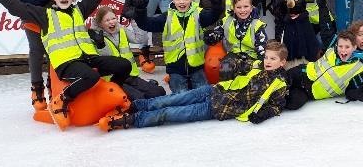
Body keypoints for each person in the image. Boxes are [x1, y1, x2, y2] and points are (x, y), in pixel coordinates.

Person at [0, 0, 132, 130]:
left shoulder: (80, 10)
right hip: (66, 63)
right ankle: (62, 100)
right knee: (91, 76)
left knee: (124, 65)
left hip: (88, 58)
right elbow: (15, 6)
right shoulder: (45, 15)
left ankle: (108, 97)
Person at [97, 41, 289, 131]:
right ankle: (135, 106)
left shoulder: (280, 84)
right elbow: (238, 61)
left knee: (172, 113)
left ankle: (131, 121)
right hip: (214, 90)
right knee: (173, 99)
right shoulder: (256, 64)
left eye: (273, 59)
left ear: (282, 63)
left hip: (218, 108)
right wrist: (230, 62)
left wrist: (262, 115)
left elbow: (275, 105)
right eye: (266, 57)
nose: (267, 61)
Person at [131, 0, 212, 94]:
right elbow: (146, 24)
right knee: (181, 98)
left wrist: (216, 4)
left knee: (204, 95)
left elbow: (213, 16)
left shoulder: (199, 14)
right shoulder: (167, 17)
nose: (182, 2)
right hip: (175, 68)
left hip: (197, 66)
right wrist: (140, 11)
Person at [89, 6, 166, 100]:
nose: (112, 22)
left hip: (130, 75)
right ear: (100, 23)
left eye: (113, 18)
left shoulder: (121, 29)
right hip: (113, 80)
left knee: (159, 92)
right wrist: (101, 45)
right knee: (139, 99)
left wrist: (134, 20)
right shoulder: (94, 37)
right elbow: (106, 60)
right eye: (107, 20)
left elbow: (141, 39)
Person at [284, 30, 363, 110]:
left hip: (309, 92)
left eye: (347, 47)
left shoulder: (359, 69)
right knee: (280, 82)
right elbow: (325, 30)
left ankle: (275, 103)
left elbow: (350, 91)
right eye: (340, 46)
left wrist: (357, 94)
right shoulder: (331, 50)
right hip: (302, 73)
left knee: (294, 103)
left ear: (354, 47)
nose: (343, 50)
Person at [205, 0, 268, 81]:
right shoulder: (227, 21)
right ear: (234, 9)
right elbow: (216, 35)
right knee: (225, 67)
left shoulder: (257, 25)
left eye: (246, 6)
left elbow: (262, 48)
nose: (242, 10)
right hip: (233, 55)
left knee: (253, 75)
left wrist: (260, 64)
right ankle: (226, 91)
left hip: (252, 57)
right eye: (239, 7)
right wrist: (211, 36)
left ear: (251, 8)